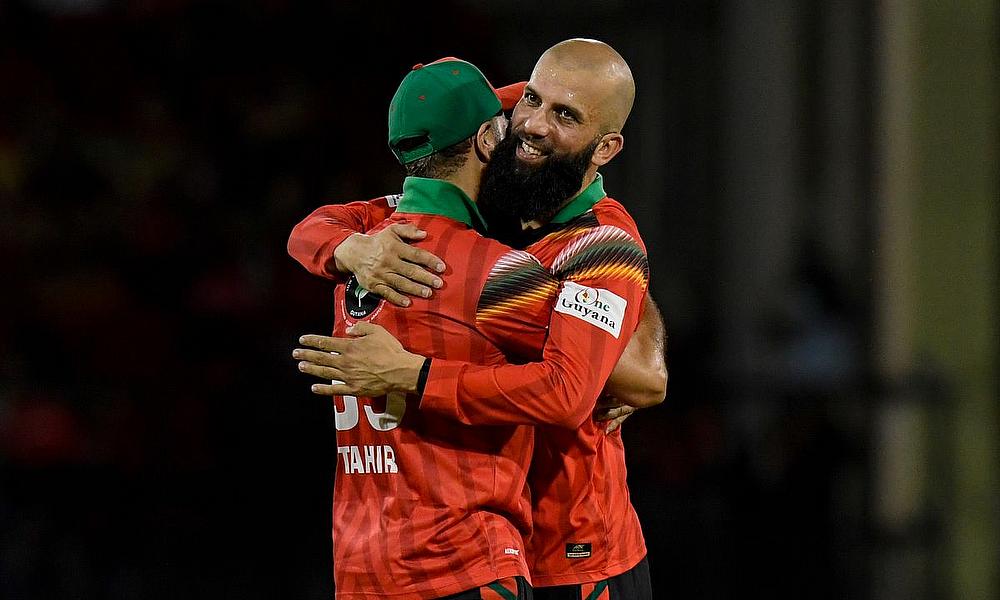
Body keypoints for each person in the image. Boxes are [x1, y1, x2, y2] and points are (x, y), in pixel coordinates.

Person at [292, 40, 665, 599]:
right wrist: (349, 251)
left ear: (606, 146)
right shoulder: (462, 209)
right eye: (530, 102)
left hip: (574, 554)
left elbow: (642, 377)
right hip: (489, 546)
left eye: (565, 116)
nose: (535, 125)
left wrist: (415, 375)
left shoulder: (601, 243)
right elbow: (311, 228)